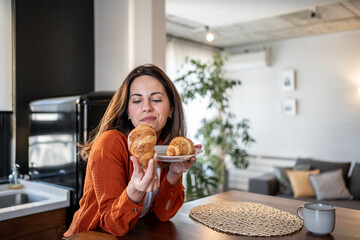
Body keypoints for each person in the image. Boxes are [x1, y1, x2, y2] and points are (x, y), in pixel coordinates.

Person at [63, 64, 198, 237]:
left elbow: (163, 215)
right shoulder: (109, 144)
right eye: (136, 100)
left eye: (156, 100)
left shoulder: (166, 149)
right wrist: (134, 190)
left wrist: (174, 173)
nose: (146, 107)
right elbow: (112, 226)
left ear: (171, 109)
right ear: (127, 110)